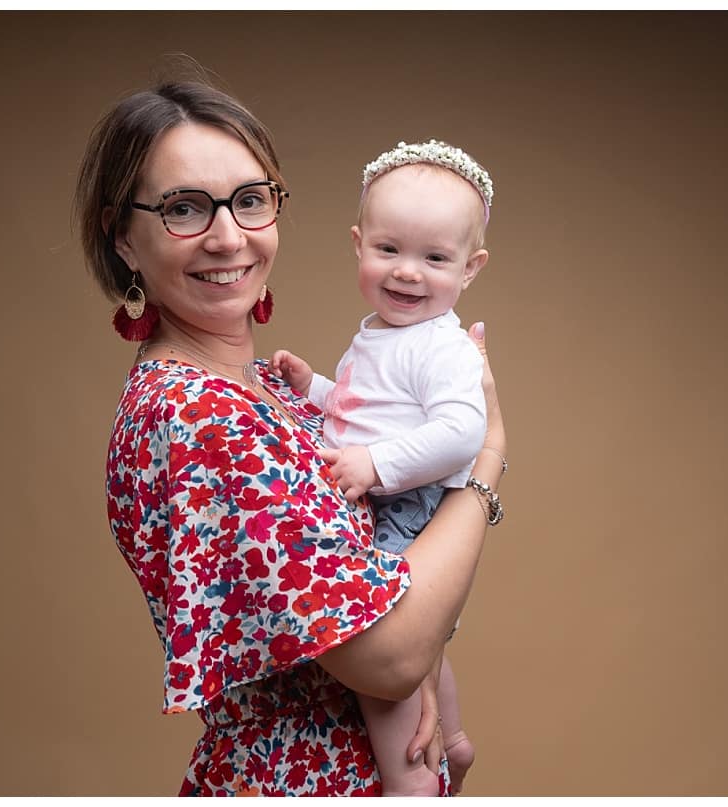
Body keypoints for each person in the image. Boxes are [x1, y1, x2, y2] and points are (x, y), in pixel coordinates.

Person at [74, 78, 507, 797]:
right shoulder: (197, 415)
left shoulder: (266, 388)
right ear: (123, 234)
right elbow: (391, 656)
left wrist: (428, 665)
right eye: (184, 208)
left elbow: (373, 579)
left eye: (249, 199)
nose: (227, 236)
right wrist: (487, 456)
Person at [269, 139, 494, 796]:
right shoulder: (382, 330)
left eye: (435, 258)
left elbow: (462, 433)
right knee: (417, 643)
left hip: (407, 501)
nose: (408, 273)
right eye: (389, 249)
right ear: (358, 243)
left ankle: (410, 780)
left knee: (383, 640)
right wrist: (313, 386)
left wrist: (376, 464)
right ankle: (451, 740)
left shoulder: (440, 344)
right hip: (382, 486)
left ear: (471, 266)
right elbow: (360, 409)